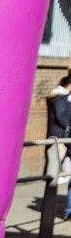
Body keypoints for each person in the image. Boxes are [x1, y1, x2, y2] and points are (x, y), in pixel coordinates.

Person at [45, 71, 71, 217]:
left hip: (60, 138)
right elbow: (62, 118)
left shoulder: (58, 98)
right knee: (55, 170)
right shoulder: (61, 99)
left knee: (60, 168)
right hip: (60, 138)